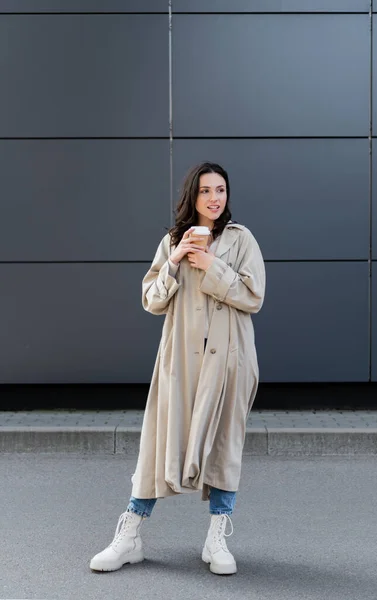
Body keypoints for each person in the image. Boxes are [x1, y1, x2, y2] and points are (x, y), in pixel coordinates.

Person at [90, 162, 266, 576]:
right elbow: (151, 299)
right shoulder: (173, 240)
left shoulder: (242, 240)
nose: (214, 198)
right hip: (180, 364)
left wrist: (211, 266)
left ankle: (216, 537)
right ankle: (129, 534)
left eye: (220, 190)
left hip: (228, 362)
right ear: (193, 196)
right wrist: (176, 261)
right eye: (205, 191)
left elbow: (254, 296)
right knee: (157, 443)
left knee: (223, 445)